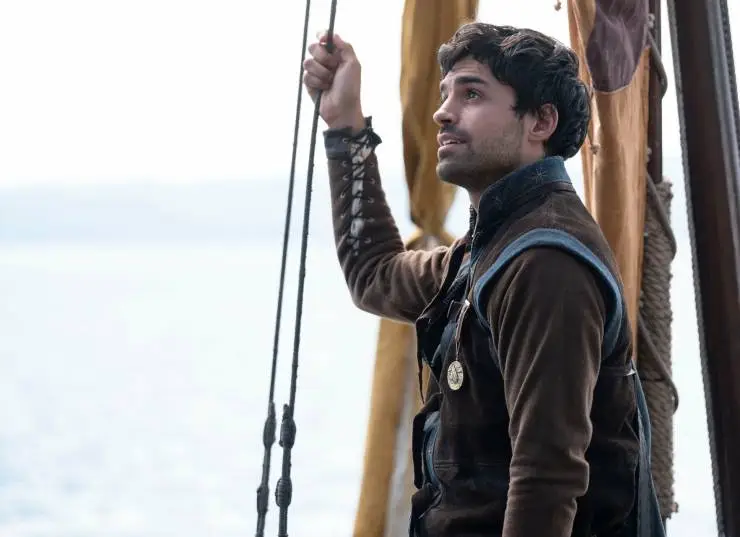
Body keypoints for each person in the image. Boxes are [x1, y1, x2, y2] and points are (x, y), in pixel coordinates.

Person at [303, 22, 663, 537]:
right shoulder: (491, 250)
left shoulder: (545, 264)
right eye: (445, 94)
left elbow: (545, 483)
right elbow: (375, 275)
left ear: (541, 121)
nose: (443, 112)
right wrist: (345, 124)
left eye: (471, 94)